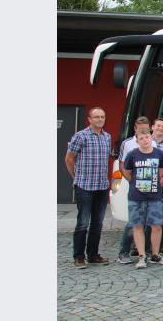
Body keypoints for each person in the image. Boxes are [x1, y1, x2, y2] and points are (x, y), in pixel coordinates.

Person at [65, 107, 112, 269]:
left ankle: (93, 255)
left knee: (97, 223)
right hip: (84, 186)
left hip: (102, 186)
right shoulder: (81, 136)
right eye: (97, 117)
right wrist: (76, 178)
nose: (100, 119)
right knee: (83, 223)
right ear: (89, 119)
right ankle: (79, 257)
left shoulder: (107, 137)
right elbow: (69, 159)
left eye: (102, 117)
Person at [122, 127, 163, 269]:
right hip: (136, 196)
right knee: (137, 226)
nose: (144, 141)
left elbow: (161, 170)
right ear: (137, 141)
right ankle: (142, 256)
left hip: (154, 196)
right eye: (141, 139)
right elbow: (127, 170)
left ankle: (155, 254)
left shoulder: (159, 154)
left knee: (156, 225)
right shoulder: (132, 155)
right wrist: (135, 182)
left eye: (147, 137)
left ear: (151, 138)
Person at [116, 117, 157, 265]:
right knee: (133, 221)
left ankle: (143, 252)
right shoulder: (127, 144)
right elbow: (122, 165)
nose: (144, 132)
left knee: (147, 221)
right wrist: (132, 181)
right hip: (135, 188)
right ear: (135, 128)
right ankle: (123, 252)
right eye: (141, 129)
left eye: (146, 129)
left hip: (150, 189)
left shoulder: (153, 142)